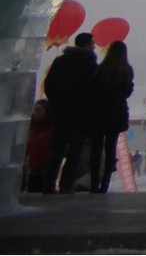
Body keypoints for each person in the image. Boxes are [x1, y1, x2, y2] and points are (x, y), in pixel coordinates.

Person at [43, 31, 95, 193]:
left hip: (59, 113)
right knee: (75, 152)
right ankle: (65, 185)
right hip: (80, 115)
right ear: (87, 45)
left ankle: (48, 184)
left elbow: (48, 85)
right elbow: (94, 92)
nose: (94, 47)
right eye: (93, 44)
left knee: (57, 150)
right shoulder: (90, 65)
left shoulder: (60, 61)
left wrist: (56, 103)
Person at [88, 40, 134, 193]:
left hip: (98, 113)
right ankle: (105, 184)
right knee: (110, 149)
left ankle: (94, 183)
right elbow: (126, 93)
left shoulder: (100, 69)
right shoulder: (126, 70)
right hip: (116, 114)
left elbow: (93, 91)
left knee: (96, 149)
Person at [23, 101, 54, 193]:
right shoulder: (30, 127)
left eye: (40, 110)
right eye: (35, 110)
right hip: (32, 166)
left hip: (45, 167)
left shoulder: (51, 128)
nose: (37, 113)